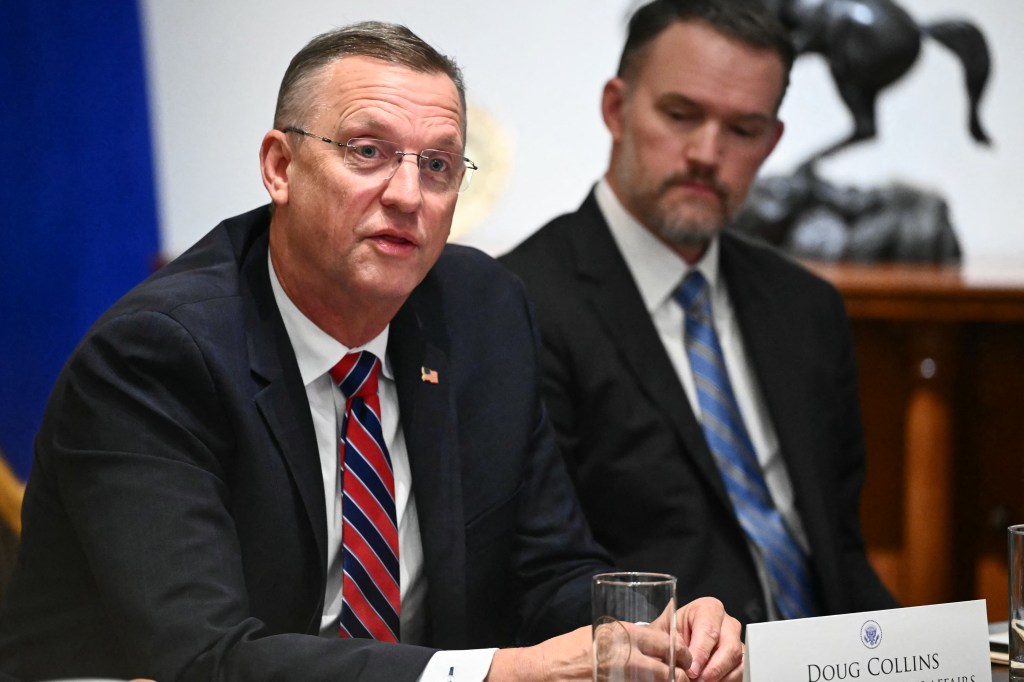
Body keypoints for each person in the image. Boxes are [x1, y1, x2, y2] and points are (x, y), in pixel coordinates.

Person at [0, 20, 743, 682]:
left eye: (440, 165)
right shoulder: (158, 355)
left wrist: (645, 636)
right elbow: (203, 658)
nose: (406, 194)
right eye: (367, 152)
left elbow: (546, 570)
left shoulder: (483, 313)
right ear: (280, 168)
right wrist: (494, 674)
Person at [500, 0, 898, 628]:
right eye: (681, 115)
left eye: (743, 130)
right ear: (616, 108)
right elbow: (542, 577)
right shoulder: (517, 303)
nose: (708, 153)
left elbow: (838, 549)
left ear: (771, 142)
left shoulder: (807, 307)